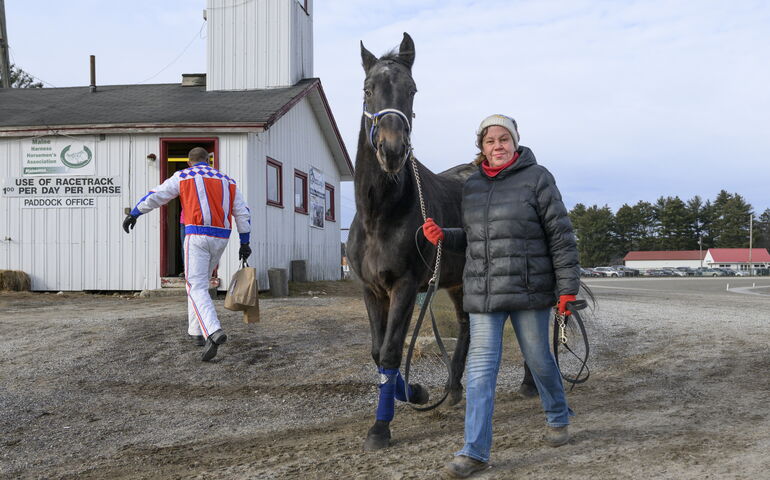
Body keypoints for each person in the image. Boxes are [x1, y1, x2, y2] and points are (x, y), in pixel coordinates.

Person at [422, 115, 580, 478]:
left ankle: (558, 414)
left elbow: (561, 236)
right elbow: (474, 237)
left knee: (540, 360)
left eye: (504, 138)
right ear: (482, 147)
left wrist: (567, 289)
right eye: (490, 140)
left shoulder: (538, 178)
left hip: (528, 291)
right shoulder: (473, 186)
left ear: (515, 142)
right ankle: (475, 451)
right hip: (483, 294)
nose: (498, 145)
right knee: (479, 374)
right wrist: (445, 235)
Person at [122, 147, 252, 362]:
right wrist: (245, 242)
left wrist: (136, 213)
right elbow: (243, 212)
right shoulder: (228, 180)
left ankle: (213, 330)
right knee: (199, 283)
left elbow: (157, 195)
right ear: (208, 161)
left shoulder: (184, 175)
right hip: (222, 237)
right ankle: (196, 332)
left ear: (189, 162)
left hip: (196, 235)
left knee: (196, 285)